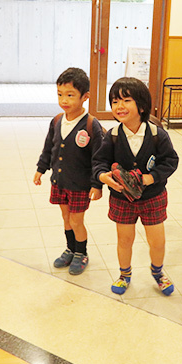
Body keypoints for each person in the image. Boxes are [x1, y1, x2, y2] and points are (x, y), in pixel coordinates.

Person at [93, 77, 179, 296]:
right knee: (124, 239)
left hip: (153, 197)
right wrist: (103, 177)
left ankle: (158, 273)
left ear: (141, 105)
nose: (119, 106)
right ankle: (124, 275)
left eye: (126, 100)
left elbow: (171, 161)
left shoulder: (157, 135)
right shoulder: (112, 136)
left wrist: (151, 178)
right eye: (114, 101)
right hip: (122, 199)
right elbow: (99, 162)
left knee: (157, 240)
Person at [34, 68, 104, 275]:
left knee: (76, 220)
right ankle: (70, 249)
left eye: (70, 95)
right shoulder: (57, 121)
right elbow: (49, 148)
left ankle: (81, 253)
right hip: (60, 181)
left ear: (85, 97)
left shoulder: (92, 125)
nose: (64, 100)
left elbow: (98, 158)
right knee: (66, 218)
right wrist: (41, 169)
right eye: (60, 94)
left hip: (80, 184)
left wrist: (97, 185)